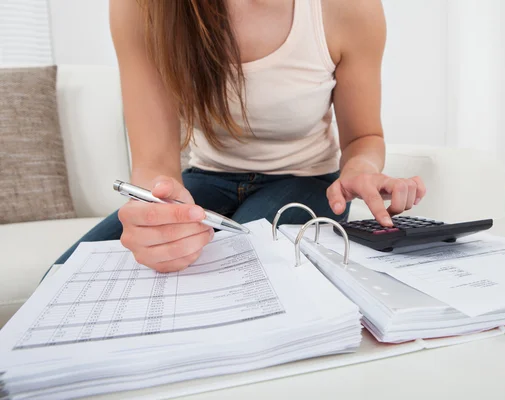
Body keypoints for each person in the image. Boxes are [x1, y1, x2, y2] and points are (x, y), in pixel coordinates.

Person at [54, 0, 426, 273]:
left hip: (305, 182)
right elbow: (155, 161)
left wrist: (359, 169)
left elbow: (364, 136)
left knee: (239, 270)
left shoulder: (348, 9)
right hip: (204, 180)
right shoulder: (142, 7)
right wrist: (157, 208)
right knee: (62, 281)